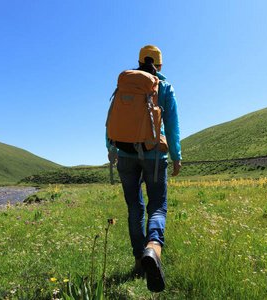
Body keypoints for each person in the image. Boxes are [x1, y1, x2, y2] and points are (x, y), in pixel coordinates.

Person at [109, 45, 181, 293]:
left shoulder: (125, 84)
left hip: (125, 154)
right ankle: (154, 248)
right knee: (157, 206)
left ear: (138, 62)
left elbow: (112, 119)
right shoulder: (165, 87)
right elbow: (171, 126)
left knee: (134, 208)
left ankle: (139, 260)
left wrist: (112, 150)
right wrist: (177, 156)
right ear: (160, 66)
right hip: (154, 155)